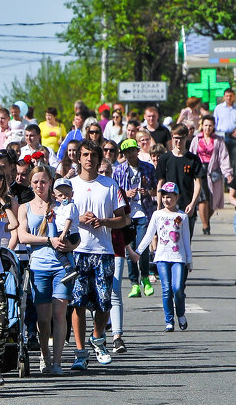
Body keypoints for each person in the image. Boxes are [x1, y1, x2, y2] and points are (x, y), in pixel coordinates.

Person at [67, 142, 129, 371]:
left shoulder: (109, 185)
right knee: (78, 303)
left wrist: (102, 221)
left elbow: (123, 219)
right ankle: (80, 353)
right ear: (78, 158)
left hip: (103, 252)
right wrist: (78, 219)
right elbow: (58, 216)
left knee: (104, 302)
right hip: (78, 251)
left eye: (93, 155)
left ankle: (98, 337)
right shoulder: (70, 186)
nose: (88, 159)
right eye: (84, 155)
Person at [16, 165, 72, 374]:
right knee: (43, 318)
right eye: (36, 182)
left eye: (44, 181)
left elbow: (75, 232)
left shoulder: (60, 205)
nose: (40, 185)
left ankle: (57, 362)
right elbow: (23, 236)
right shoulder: (25, 207)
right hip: (39, 266)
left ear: (50, 183)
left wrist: (71, 245)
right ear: (30, 184)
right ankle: (44, 355)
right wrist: (48, 240)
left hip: (62, 266)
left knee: (59, 314)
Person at [135, 183, 193, 332]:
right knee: (166, 289)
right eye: (164, 197)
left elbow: (186, 239)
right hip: (162, 257)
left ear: (176, 197)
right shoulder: (157, 215)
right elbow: (149, 235)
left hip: (178, 257)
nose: (167, 200)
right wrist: (138, 252)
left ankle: (180, 314)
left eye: (170, 197)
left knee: (178, 288)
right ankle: (169, 320)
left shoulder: (182, 216)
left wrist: (189, 260)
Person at [113, 137, 156, 299]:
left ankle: (145, 277)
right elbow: (115, 192)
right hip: (127, 214)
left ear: (137, 151)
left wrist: (147, 190)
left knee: (142, 246)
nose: (130, 154)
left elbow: (155, 190)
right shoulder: (118, 170)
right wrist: (126, 194)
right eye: (127, 152)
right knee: (129, 248)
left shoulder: (148, 168)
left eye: (132, 150)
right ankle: (134, 283)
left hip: (143, 212)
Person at [156, 124, 204, 238]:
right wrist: (159, 206)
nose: (178, 141)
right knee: (169, 241)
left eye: (181, 138)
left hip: (186, 205)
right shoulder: (164, 159)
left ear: (186, 138)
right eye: (175, 138)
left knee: (185, 241)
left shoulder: (193, 159)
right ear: (172, 138)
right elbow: (160, 182)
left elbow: (198, 183)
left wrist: (192, 204)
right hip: (168, 206)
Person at [190, 116, 231, 236]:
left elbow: (224, 157)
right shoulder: (196, 139)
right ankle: (205, 226)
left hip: (214, 172)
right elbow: (192, 155)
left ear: (213, 126)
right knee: (203, 199)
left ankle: (205, 218)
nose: (208, 128)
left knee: (214, 202)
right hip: (200, 171)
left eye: (210, 125)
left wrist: (227, 173)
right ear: (202, 126)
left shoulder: (218, 140)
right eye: (206, 125)